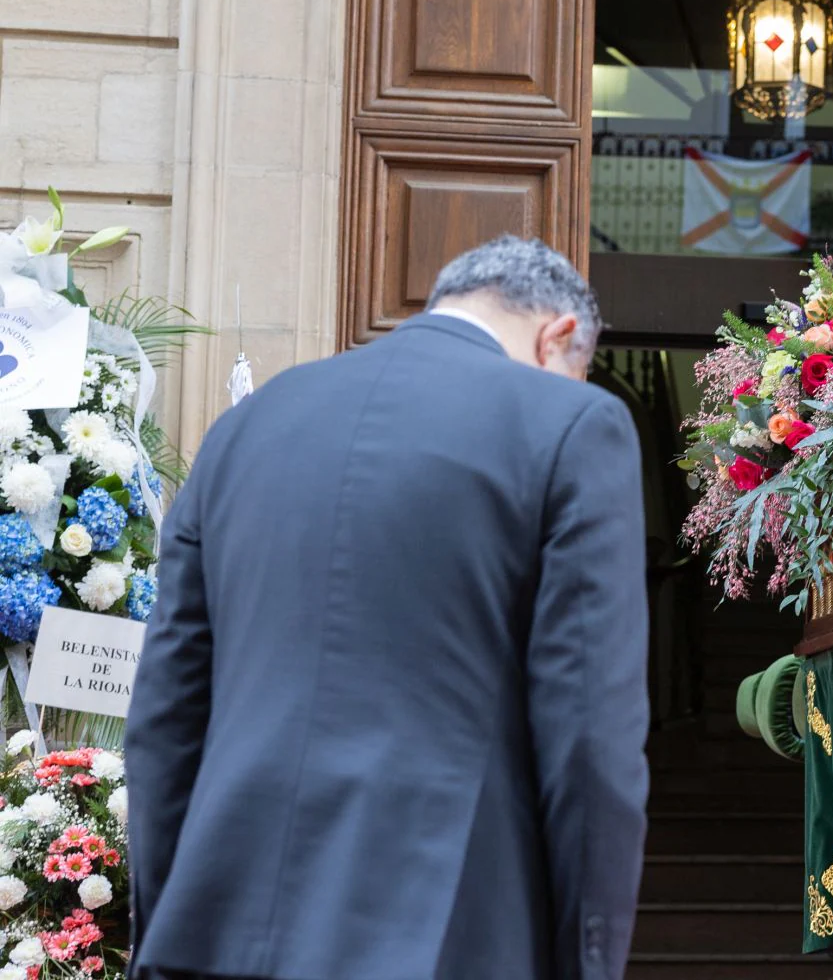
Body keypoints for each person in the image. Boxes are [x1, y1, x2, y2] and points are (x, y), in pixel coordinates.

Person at [124, 236, 650, 980]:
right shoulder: (571, 423)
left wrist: (171, 928)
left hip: (218, 931)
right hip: (451, 932)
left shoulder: (247, 426)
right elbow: (591, 736)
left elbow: (163, 718)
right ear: (557, 337)